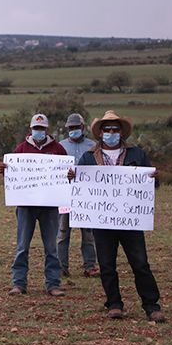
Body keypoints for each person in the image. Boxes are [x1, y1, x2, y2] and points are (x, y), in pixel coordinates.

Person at [68, 110, 166, 322]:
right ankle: (114, 304)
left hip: (131, 220)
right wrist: (73, 178)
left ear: (121, 132)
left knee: (140, 263)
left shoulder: (137, 154)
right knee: (106, 264)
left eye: (115, 129)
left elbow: (152, 186)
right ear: (100, 132)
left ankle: (151, 305)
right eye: (107, 129)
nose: (111, 133)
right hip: (102, 222)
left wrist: (153, 178)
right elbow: (78, 187)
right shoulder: (87, 158)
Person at [0, 113, 67, 297]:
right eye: (36, 128)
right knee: (22, 246)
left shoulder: (58, 149)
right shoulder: (20, 149)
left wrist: (69, 175)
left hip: (50, 206)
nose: (39, 131)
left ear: (47, 129)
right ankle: (19, 283)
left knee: (51, 247)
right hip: (25, 205)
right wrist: (6, 170)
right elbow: (13, 177)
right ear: (31, 129)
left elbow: (67, 174)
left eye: (42, 128)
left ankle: (53, 284)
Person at [57, 113, 99, 278]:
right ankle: (61, 267)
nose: (73, 130)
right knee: (62, 232)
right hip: (65, 196)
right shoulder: (60, 146)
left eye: (76, 127)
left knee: (88, 234)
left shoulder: (93, 146)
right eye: (70, 128)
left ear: (83, 127)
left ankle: (90, 266)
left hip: (86, 197)